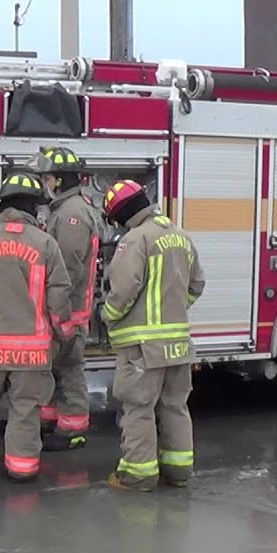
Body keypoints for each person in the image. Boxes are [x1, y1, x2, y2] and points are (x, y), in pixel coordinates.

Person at [0, 173, 74, 481]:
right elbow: (59, 298)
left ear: (3, 205)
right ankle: (21, 468)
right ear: (33, 209)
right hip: (32, 354)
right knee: (25, 412)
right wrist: (65, 335)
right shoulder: (46, 245)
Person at [99, 180, 206, 491]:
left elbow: (123, 291)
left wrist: (108, 316)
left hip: (143, 348)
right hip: (179, 345)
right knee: (175, 406)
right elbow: (196, 285)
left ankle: (138, 475)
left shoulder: (136, 239)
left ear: (122, 214)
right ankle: (178, 472)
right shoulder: (181, 236)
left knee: (139, 408)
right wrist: (174, 309)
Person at [25, 145, 102, 452]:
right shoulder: (65, 210)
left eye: (46, 177)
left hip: (69, 311)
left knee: (69, 369)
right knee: (55, 369)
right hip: (62, 309)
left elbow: (66, 270)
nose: (44, 183)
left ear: (58, 181)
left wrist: (57, 311)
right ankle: (52, 421)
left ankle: (73, 429)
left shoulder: (71, 215)